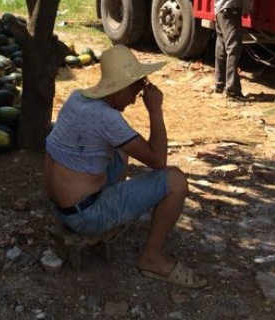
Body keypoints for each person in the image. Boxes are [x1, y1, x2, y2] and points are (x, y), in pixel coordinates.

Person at [44, 45, 206, 288]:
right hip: (85, 216)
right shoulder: (108, 119)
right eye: (134, 89)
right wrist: (155, 110)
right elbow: (158, 161)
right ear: (118, 87)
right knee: (176, 181)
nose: (134, 99)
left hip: (64, 205)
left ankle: (117, 205)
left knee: (121, 148)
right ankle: (152, 258)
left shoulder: (77, 97)